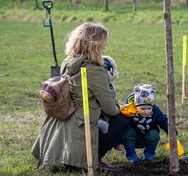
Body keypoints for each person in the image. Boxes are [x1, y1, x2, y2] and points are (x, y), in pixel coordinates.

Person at [31, 23, 130, 172]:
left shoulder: (69, 61)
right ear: (95, 45)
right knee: (122, 121)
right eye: (103, 43)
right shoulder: (95, 70)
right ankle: (93, 157)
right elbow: (110, 108)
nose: (105, 46)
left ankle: (73, 157)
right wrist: (119, 108)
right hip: (82, 122)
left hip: (65, 116)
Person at [120, 84, 168, 163]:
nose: (146, 111)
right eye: (142, 109)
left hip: (147, 138)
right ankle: (131, 156)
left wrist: (170, 131)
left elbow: (162, 120)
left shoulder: (155, 111)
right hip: (130, 140)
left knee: (153, 134)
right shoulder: (129, 112)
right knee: (128, 132)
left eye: (149, 108)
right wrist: (118, 142)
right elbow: (120, 127)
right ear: (136, 106)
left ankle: (149, 155)